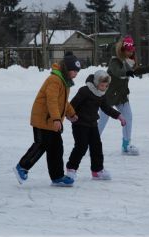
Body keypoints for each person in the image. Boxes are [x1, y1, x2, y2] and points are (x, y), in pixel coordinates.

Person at [13, 52, 81, 187]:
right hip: (43, 119)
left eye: (77, 72)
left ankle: (57, 176)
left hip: (52, 120)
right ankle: (22, 167)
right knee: (41, 144)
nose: (76, 74)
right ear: (67, 69)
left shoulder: (64, 82)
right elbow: (52, 101)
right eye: (74, 71)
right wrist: (57, 119)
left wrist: (71, 114)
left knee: (56, 148)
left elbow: (63, 102)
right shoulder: (55, 80)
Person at [98, 36, 149, 155]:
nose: (131, 52)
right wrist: (127, 72)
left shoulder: (129, 62)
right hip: (108, 97)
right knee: (102, 122)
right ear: (122, 50)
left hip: (121, 96)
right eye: (128, 50)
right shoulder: (114, 61)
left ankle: (126, 145)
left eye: (132, 50)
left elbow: (136, 71)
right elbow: (117, 72)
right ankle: (93, 143)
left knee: (128, 118)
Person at [66, 70, 126, 182]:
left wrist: (119, 116)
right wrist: (70, 115)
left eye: (106, 86)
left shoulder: (101, 94)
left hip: (92, 124)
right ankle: (71, 168)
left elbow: (106, 107)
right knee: (81, 146)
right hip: (79, 124)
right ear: (96, 82)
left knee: (96, 147)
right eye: (102, 85)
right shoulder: (85, 91)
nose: (103, 88)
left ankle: (97, 170)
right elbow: (71, 105)